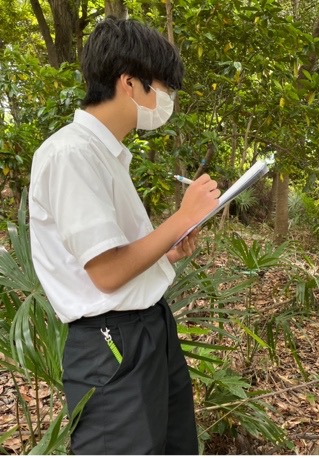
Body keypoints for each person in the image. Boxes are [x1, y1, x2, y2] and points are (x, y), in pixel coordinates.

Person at [29, 17, 220, 454]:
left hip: (148, 329)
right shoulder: (70, 154)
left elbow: (116, 258)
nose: (165, 101)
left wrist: (164, 254)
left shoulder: (107, 155)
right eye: (162, 88)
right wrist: (181, 217)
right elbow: (107, 274)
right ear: (129, 83)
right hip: (111, 344)